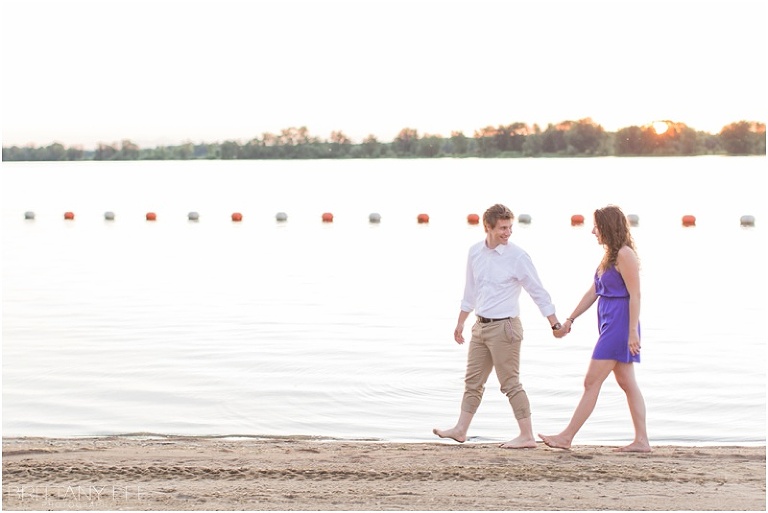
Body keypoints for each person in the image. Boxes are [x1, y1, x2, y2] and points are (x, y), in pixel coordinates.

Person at [433, 203, 564, 449]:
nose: (508, 232)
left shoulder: (518, 257)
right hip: (480, 326)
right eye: (503, 228)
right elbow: (470, 291)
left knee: (510, 383)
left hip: (506, 329)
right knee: (472, 382)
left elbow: (538, 291)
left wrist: (554, 323)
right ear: (488, 227)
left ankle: (526, 436)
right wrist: (461, 321)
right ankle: (461, 430)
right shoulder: (474, 252)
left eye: (510, 227)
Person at [539, 205, 651, 453]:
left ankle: (566, 437)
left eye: (597, 227)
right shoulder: (610, 255)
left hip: (620, 324)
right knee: (627, 382)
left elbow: (636, 295)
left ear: (608, 227)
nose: (592, 231)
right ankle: (642, 441)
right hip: (609, 322)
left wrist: (632, 331)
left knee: (591, 382)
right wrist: (570, 319)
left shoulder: (625, 254)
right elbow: (593, 292)